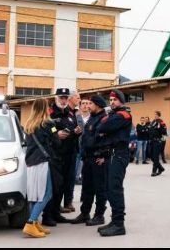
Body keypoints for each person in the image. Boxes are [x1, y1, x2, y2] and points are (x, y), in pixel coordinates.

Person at [96, 90, 133, 237]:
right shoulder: (113, 115)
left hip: (118, 154)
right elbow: (101, 128)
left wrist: (104, 125)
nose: (111, 102)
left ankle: (119, 224)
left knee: (115, 188)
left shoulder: (123, 115)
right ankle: (114, 220)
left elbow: (102, 127)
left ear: (121, 101)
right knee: (109, 188)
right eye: (110, 100)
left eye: (114, 100)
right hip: (111, 154)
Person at [22, 98, 61, 238]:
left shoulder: (28, 124)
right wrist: (56, 130)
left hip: (31, 163)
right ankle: (30, 222)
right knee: (46, 193)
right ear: (45, 108)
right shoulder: (49, 123)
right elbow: (57, 141)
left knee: (34, 195)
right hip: (43, 162)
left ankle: (35, 223)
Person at [70, 95, 108, 227]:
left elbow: (105, 140)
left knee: (99, 188)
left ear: (97, 105)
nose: (88, 106)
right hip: (88, 157)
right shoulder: (93, 117)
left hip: (98, 158)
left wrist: (104, 155)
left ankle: (99, 215)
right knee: (87, 188)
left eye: (90, 104)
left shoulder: (104, 119)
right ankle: (84, 213)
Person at [43, 88, 79, 225]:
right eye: (61, 98)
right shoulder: (50, 113)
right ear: (56, 98)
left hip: (69, 155)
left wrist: (77, 132)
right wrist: (55, 134)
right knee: (54, 186)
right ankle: (48, 215)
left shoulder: (70, 113)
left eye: (65, 98)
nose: (63, 100)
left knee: (63, 185)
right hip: (55, 155)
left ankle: (56, 213)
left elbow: (73, 129)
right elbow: (45, 129)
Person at [75, 98, 93, 184]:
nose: (85, 105)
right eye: (83, 103)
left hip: (88, 145)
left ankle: (82, 177)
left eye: (87, 103)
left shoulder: (93, 118)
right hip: (77, 144)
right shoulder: (76, 117)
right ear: (80, 106)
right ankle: (76, 177)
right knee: (77, 161)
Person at [149, 112, 167, 176]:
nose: (155, 115)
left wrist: (160, 128)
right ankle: (161, 168)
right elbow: (150, 130)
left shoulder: (161, 122)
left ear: (159, 115)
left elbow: (164, 132)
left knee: (155, 157)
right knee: (151, 156)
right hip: (151, 141)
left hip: (157, 141)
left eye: (156, 114)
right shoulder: (153, 121)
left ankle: (154, 171)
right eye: (154, 114)